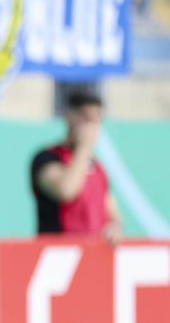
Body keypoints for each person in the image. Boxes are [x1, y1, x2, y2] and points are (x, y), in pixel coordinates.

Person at [30, 90, 122, 243]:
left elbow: (112, 213)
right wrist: (84, 146)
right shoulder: (47, 158)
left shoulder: (98, 168)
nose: (90, 126)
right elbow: (66, 190)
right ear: (68, 116)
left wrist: (115, 226)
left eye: (96, 120)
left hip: (93, 256)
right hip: (58, 255)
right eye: (85, 118)